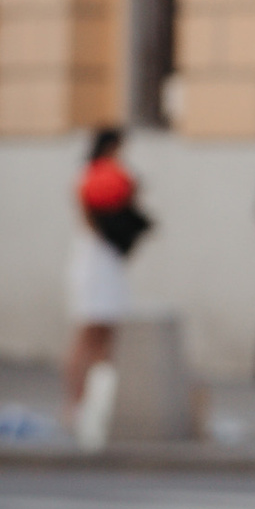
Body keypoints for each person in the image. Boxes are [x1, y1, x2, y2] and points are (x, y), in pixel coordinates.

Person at [65, 125, 148, 446]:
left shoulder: (111, 175)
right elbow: (89, 216)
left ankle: (101, 405)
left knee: (108, 336)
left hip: (109, 264)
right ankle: (74, 404)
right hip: (92, 264)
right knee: (87, 333)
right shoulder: (87, 176)